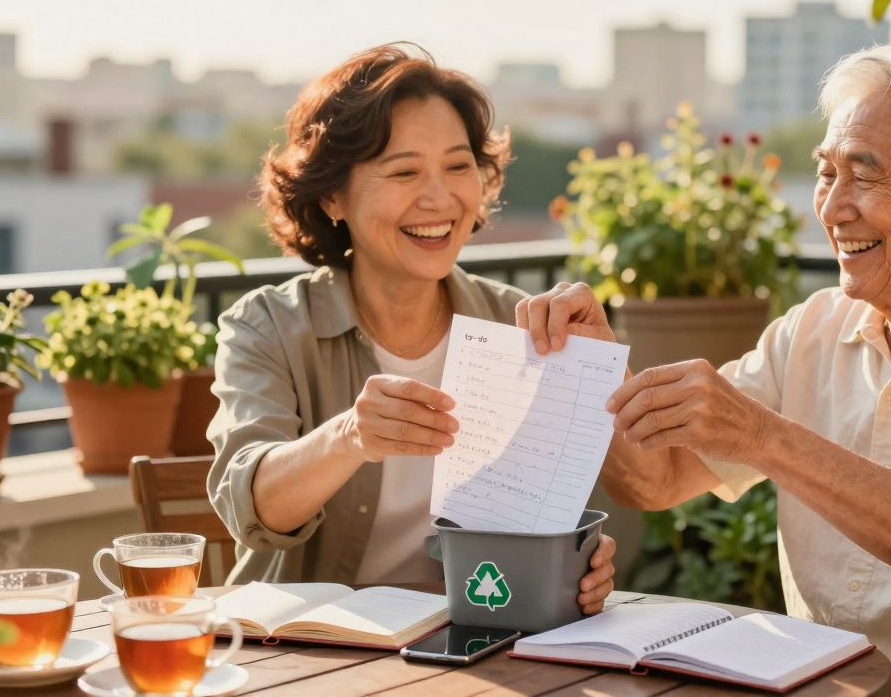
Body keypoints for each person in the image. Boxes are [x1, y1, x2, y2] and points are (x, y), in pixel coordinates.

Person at [519, 45, 891, 695]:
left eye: (864, 176)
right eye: (826, 173)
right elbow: (657, 480)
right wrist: (593, 366)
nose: (832, 209)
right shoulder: (812, 328)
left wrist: (763, 436)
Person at [206, 44, 615, 614]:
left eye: (457, 166)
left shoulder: (522, 327)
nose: (440, 198)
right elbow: (252, 508)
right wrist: (351, 436)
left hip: (481, 633)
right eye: (404, 171)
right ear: (331, 195)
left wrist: (577, 563)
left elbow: (553, 512)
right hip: (313, 647)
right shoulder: (268, 325)